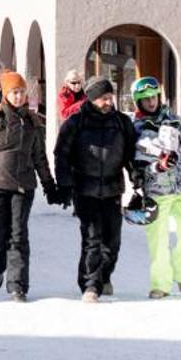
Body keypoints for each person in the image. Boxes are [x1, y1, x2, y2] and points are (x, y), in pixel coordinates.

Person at [0, 69, 58, 301]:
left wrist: (49, 184)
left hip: (23, 187)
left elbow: (39, 156)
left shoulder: (33, 122)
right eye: (14, 92)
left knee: (18, 235)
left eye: (22, 92)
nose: (19, 96)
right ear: (6, 93)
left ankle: (17, 285)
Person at [54, 76, 139, 303]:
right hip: (85, 187)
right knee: (92, 238)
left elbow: (131, 153)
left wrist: (136, 174)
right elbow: (61, 154)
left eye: (110, 98)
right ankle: (90, 285)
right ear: (91, 99)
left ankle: (104, 276)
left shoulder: (122, 122)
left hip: (113, 188)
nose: (108, 102)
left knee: (112, 241)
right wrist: (64, 183)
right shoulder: (75, 123)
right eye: (103, 98)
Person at [129, 75, 181, 298]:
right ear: (138, 102)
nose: (151, 102)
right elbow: (138, 164)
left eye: (154, 97)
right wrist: (158, 168)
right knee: (158, 240)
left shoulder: (173, 121)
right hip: (156, 193)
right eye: (146, 100)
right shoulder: (138, 129)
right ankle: (160, 283)